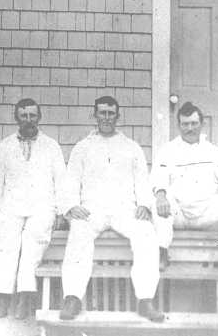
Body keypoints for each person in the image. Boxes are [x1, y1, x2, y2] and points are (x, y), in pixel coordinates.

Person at [59, 96, 164, 322]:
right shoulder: (82, 147)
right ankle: (72, 297)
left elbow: (142, 182)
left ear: (118, 116)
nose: (106, 118)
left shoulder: (131, 147)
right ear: (94, 115)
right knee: (78, 232)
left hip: (124, 210)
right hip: (92, 210)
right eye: (102, 113)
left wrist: (145, 204)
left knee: (146, 232)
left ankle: (145, 299)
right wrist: (71, 206)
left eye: (111, 113)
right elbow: (71, 181)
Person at [151, 101, 218, 274]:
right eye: (185, 124)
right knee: (158, 199)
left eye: (194, 123)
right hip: (178, 213)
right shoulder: (168, 150)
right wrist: (161, 196)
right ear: (179, 126)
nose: (190, 128)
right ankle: (161, 254)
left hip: (206, 213)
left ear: (201, 124)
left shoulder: (213, 152)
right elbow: (158, 176)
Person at [0, 99, 66, 320]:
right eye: (24, 116)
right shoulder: (5, 145)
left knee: (33, 243)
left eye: (32, 115)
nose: (28, 120)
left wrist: (60, 210)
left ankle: (25, 296)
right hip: (11, 205)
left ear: (39, 117)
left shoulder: (51, 146)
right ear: (16, 118)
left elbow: (61, 180)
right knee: (4, 240)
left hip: (42, 205)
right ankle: (2, 295)